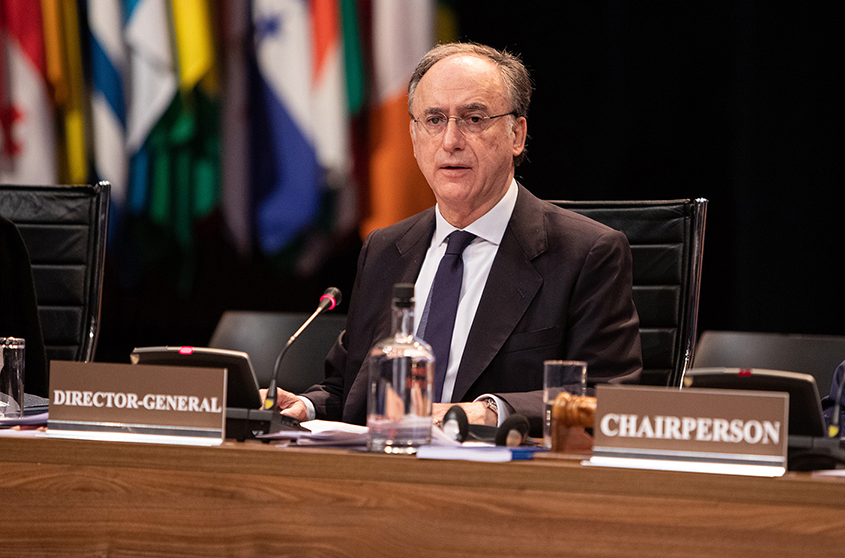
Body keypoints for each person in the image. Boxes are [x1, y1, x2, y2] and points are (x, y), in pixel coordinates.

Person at [268, 42, 642, 434]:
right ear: (413, 137)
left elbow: (605, 397)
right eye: (433, 120)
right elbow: (349, 389)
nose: (450, 141)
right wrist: (307, 406)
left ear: (517, 134)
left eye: (474, 118)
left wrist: (486, 412)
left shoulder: (585, 253)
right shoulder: (384, 250)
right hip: (381, 475)